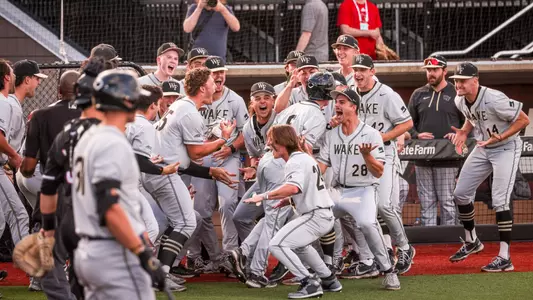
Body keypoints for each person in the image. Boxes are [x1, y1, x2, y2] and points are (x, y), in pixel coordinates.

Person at [70, 69, 166, 299]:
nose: (137, 101)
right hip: (114, 252)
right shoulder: (112, 142)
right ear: (123, 100)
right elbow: (110, 207)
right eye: (134, 96)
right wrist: (141, 253)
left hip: (91, 250)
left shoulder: (89, 138)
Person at [143, 68, 237, 287]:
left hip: (159, 171)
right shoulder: (190, 112)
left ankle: (160, 271)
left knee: (181, 221)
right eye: (212, 82)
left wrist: (210, 171)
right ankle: (161, 276)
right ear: (203, 87)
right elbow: (196, 153)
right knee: (187, 222)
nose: (215, 85)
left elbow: (185, 157)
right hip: (163, 173)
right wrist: (223, 139)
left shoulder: (181, 106)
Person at [39, 57, 112, 300]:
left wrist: (47, 228)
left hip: (68, 211)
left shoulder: (66, 133)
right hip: (97, 216)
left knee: (52, 267)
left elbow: (48, 185)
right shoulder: (112, 135)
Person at [447, 62, 530, 271]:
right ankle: (472, 240)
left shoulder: (494, 98)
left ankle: (505, 258)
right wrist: (464, 132)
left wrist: (500, 136)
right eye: (456, 80)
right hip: (483, 146)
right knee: (461, 194)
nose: (458, 84)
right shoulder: (459, 99)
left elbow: (523, 119)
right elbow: (471, 117)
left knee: (500, 201)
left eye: (463, 80)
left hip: (506, 147)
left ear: (475, 80)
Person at [245, 124, 342, 299]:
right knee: (299, 246)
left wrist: (263, 196)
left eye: (271, 140)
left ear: (281, 143)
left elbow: (293, 188)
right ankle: (329, 279)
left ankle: (308, 282)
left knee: (276, 244)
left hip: (315, 214)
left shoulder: (295, 161)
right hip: (321, 213)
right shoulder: (304, 158)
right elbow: (304, 189)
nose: (269, 144)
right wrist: (287, 200)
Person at [316, 87, 400, 289]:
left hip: (363, 191)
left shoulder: (371, 134)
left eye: (342, 102)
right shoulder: (332, 134)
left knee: (367, 224)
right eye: (336, 102)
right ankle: (322, 269)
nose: (337, 105)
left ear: (353, 107)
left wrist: (367, 156)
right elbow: (321, 166)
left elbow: (379, 172)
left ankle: (388, 270)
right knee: (315, 217)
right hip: (338, 191)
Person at [352, 54, 415, 274]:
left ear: (372, 71)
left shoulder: (387, 94)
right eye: (355, 69)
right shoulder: (351, 91)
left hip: (385, 154)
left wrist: (384, 136)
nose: (358, 73)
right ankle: (382, 253)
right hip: (359, 156)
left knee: (385, 206)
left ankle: (405, 248)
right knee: (364, 209)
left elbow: (407, 123)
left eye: (362, 69)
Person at [186, 56, 248, 272]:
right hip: (202, 158)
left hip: (227, 156)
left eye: (222, 71)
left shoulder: (235, 100)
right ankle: (215, 256)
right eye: (215, 73)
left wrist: (231, 148)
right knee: (200, 210)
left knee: (228, 203)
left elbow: (245, 132)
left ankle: (231, 254)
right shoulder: (197, 99)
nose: (219, 76)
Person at [408, 55, 463, 226]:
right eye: (428, 70)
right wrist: (417, 135)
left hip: (448, 157)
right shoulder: (418, 94)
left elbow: (470, 123)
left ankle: (450, 239)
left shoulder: (457, 93)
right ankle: (429, 243)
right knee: (427, 202)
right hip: (422, 156)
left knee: (447, 201)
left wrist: (459, 134)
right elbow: (406, 123)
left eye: (434, 70)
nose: (431, 73)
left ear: (444, 71)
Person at [0, 59, 17, 292]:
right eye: (11, 73)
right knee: (19, 214)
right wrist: (15, 156)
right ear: (5, 77)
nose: (12, 76)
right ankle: (37, 274)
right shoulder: (3, 101)